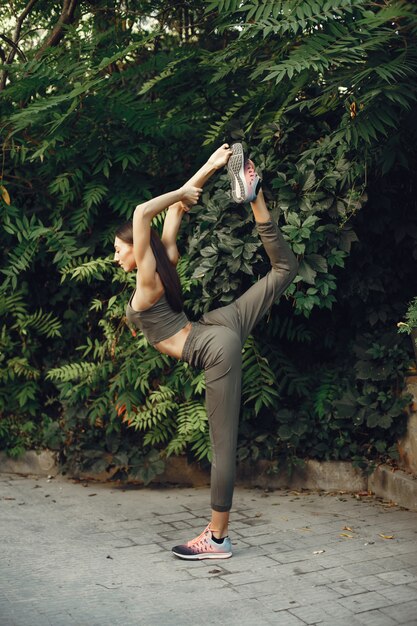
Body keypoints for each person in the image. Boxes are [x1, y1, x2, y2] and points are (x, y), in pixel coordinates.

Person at [113, 143, 298, 560]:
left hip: (212, 345)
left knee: (221, 446)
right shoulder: (167, 257)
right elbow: (175, 212)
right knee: (284, 270)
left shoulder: (147, 283)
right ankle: (256, 200)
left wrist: (181, 191)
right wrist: (212, 167)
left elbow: (145, 211)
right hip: (219, 324)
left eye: (118, 248)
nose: (115, 255)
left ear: (135, 248)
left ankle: (217, 539)